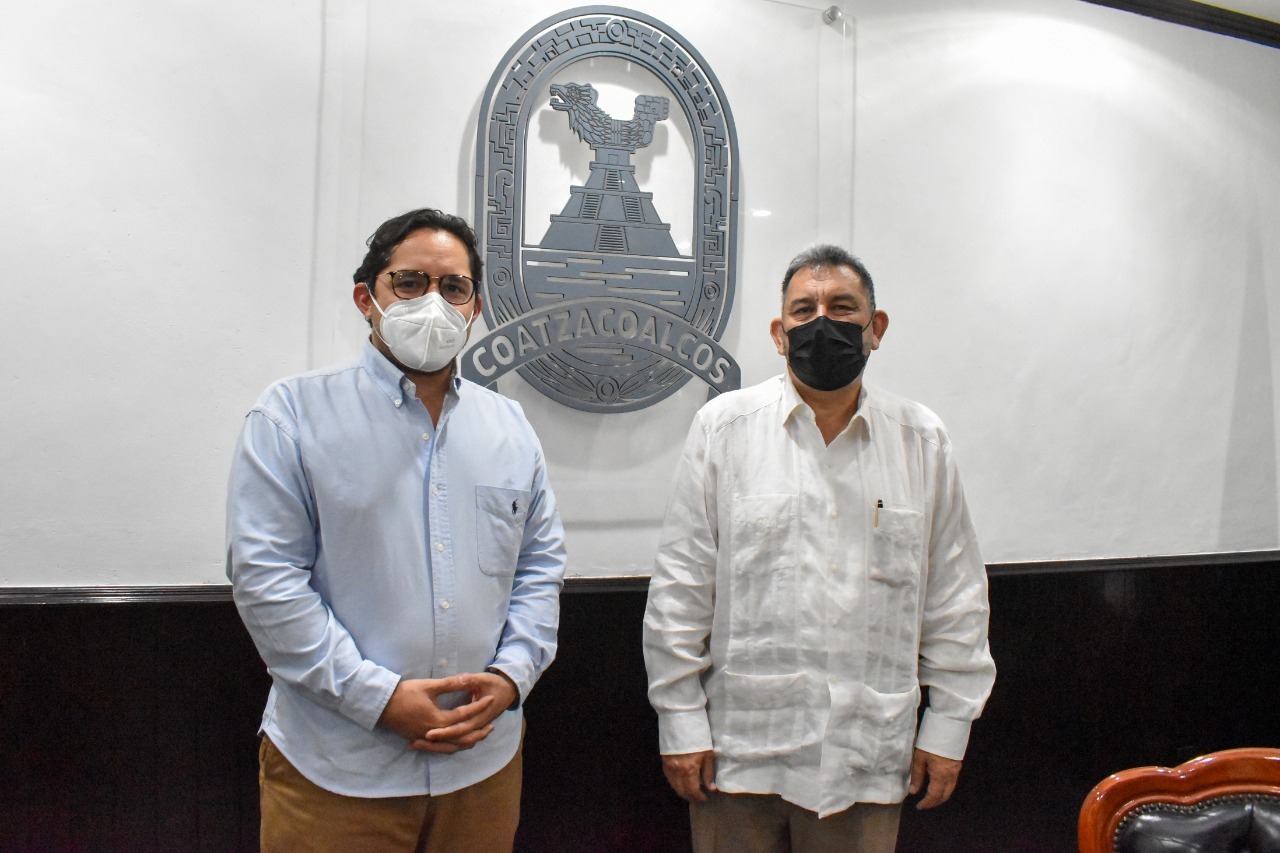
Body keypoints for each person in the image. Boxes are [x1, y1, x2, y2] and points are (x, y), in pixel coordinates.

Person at [226, 208, 566, 852]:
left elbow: (538, 567)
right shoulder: (291, 416)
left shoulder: (510, 427)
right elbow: (268, 582)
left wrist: (511, 676)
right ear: (367, 298)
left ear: (474, 308)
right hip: (338, 771)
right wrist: (379, 699)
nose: (433, 302)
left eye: (454, 287)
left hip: (482, 767)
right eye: (409, 283)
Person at [643, 244, 996, 852]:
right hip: (739, 753)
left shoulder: (921, 441)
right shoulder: (724, 430)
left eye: (842, 307)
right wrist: (679, 721)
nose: (822, 323)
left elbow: (955, 594)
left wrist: (949, 725)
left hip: (866, 758)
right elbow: (682, 587)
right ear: (779, 334)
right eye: (803, 310)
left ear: (875, 328)